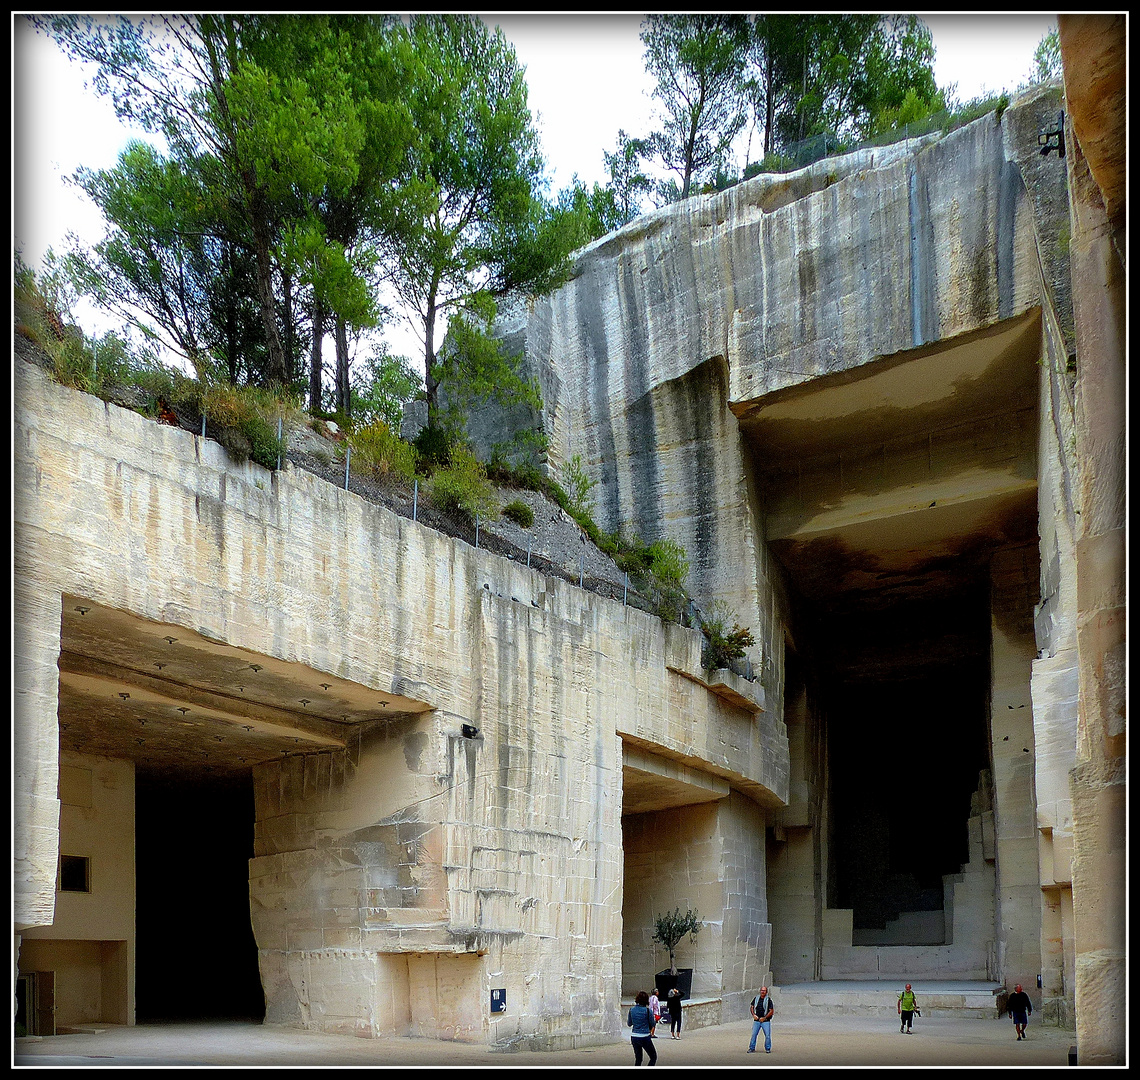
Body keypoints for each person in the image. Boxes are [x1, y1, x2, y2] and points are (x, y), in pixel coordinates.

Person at [627, 990, 657, 1065]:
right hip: (645, 1036)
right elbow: (652, 1023)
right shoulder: (647, 1010)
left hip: (634, 1036)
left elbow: (629, 1023)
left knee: (638, 1058)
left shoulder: (632, 1010)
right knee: (653, 1056)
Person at [747, 985, 774, 1053]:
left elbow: (771, 1011)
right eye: (762, 990)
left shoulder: (769, 1000)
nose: (762, 992)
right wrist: (753, 1015)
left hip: (765, 1021)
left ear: (766, 992)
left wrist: (764, 1018)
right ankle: (751, 1048)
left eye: (764, 991)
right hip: (757, 1020)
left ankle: (768, 1048)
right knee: (754, 1034)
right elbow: (752, 1007)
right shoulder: (756, 998)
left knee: (767, 1035)